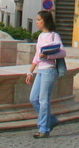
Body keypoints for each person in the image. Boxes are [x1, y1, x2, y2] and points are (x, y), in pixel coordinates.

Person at [25, 10, 66, 138]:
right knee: (33, 98)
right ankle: (51, 120)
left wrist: (47, 55)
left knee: (43, 100)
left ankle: (43, 129)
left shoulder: (54, 36)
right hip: (40, 70)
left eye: (39, 20)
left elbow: (62, 53)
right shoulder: (41, 36)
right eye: (36, 20)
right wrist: (30, 71)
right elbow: (37, 56)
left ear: (45, 21)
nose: (37, 22)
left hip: (49, 69)